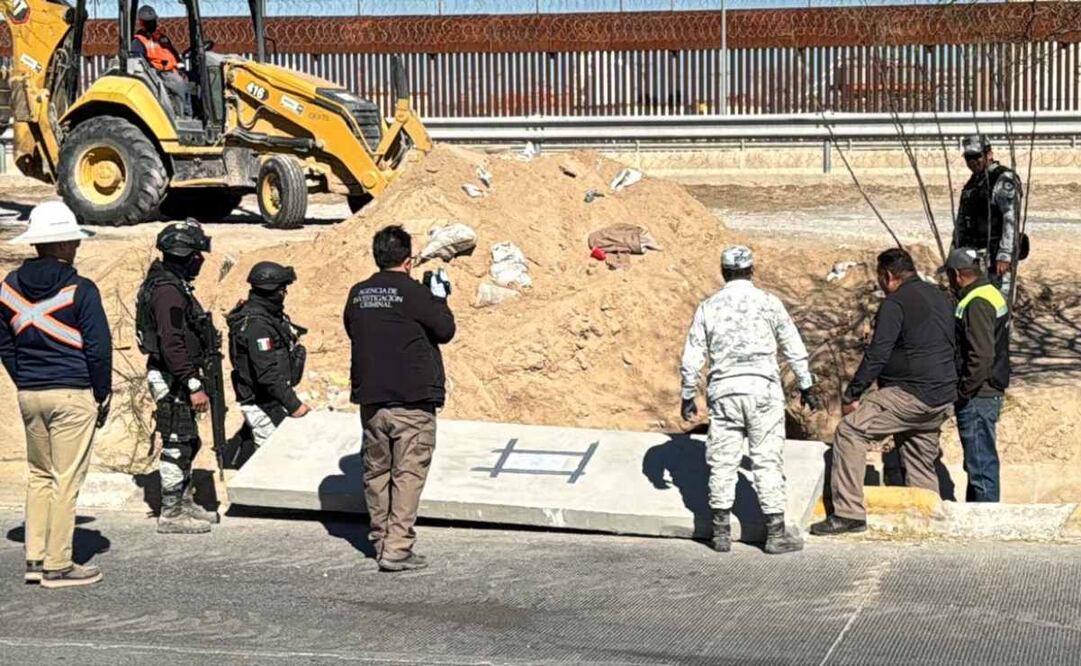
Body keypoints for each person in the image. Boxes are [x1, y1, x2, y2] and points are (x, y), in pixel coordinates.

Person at [680, 245, 820, 555]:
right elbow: (793, 346)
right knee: (766, 460)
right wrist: (806, 385)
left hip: (724, 392)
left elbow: (692, 357)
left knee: (722, 461)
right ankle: (775, 533)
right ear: (751, 270)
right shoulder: (769, 303)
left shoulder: (709, 307)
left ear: (723, 272)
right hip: (762, 391)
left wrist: (688, 394)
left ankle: (720, 533)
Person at [0, 201, 111, 589]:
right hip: (72, 392)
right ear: (62, 244)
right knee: (66, 479)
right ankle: (59, 564)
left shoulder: (8, 288)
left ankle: (35, 557)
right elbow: (98, 349)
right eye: (73, 241)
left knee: (39, 475)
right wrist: (102, 393)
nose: (76, 248)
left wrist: (26, 380)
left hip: (31, 393)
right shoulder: (81, 289)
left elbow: (5, 344)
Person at [812, 248, 957, 536]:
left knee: (850, 431)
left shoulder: (895, 303)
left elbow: (878, 353)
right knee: (917, 452)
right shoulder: (941, 297)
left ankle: (849, 514)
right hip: (941, 396)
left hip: (910, 394)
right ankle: (928, 517)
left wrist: (853, 393)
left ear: (888, 276)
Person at [343, 225, 455, 572]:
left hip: (372, 400)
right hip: (412, 400)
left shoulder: (358, 293)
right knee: (408, 474)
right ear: (408, 260)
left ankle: (380, 541)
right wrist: (439, 298)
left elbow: (352, 329)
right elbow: (445, 330)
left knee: (377, 473)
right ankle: (397, 547)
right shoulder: (415, 293)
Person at [135, 219, 219, 534]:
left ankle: (184, 501)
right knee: (176, 442)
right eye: (197, 254)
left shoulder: (171, 284)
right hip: (172, 378)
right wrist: (192, 383)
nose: (200, 260)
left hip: (178, 376)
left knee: (188, 441)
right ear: (185, 255)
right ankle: (171, 513)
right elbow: (171, 343)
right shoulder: (167, 291)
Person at [227, 261, 311, 458]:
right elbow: (267, 374)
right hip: (263, 402)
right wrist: (295, 405)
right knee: (273, 458)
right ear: (273, 291)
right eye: (282, 289)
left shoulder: (267, 316)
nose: (284, 294)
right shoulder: (257, 325)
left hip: (272, 399)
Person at [946, 248, 1010, 502]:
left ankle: (986, 519)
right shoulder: (989, 292)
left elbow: (981, 356)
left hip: (978, 395)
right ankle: (976, 515)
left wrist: (964, 390)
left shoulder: (977, 303)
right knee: (977, 464)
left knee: (981, 466)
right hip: (984, 392)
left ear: (956, 274)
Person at [953, 134, 1023, 300]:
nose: (972, 162)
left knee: (998, 304)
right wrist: (955, 253)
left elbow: (1010, 218)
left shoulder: (1002, 179)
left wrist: (1005, 254)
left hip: (995, 257)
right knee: (978, 304)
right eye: (968, 158)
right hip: (973, 258)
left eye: (976, 156)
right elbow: (961, 222)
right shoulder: (973, 183)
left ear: (989, 154)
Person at [131, 5, 191, 117]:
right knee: (179, 85)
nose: (152, 24)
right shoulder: (138, 42)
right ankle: (185, 115)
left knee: (191, 80)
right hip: (159, 73)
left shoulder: (162, 38)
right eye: (148, 22)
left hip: (172, 71)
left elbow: (173, 55)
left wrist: (181, 68)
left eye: (153, 21)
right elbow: (140, 61)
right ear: (142, 23)